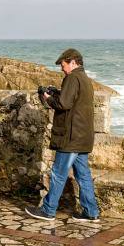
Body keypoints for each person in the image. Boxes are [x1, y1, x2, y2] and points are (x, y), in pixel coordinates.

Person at [25, 48, 100, 223]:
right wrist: (57, 93)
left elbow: (64, 104)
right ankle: (91, 212)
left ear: (73, 62)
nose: (62, 69)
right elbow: (73, 102)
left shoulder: (72, 78)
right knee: (83, 175)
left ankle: (48, 210)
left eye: (63, 65)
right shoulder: (85, 80)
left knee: (59, 173)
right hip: (83, 137)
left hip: (71, 137)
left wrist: (48, 98)